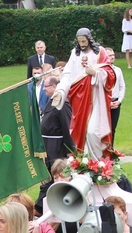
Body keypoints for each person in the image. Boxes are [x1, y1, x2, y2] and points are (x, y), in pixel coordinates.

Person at [51, 28, 116, 159]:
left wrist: (96, 73)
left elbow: (110, 74)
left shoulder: (100, 52)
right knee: (82, 133)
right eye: (79, 41)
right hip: (79, 99)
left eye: (84, 41)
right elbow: (67, 74)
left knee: (93, 132)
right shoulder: (74, 54)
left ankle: (98, 163)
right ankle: (85, 161)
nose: (82, 44)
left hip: (96, 99)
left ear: (89, 39)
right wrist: (60, 90)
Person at [36, 76, 75, 215]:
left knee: (53, 173)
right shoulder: (52, 101)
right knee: (47, 174)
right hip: (48, 144)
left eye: (46, 86)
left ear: (54, 87)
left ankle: (41, 206)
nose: (44, 89)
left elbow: (67, 126)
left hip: (56, 146)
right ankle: (42, 205)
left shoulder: (62, 104)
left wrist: (70, 149)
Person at [105, 48, 125, 149]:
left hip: (116, 102)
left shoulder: (118, 70)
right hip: (104, 103)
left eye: (113, 55)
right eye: (109, 55)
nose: (112, 57)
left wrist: (119, 101)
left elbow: (122, 87)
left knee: (113, 128)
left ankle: (110, 149)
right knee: (104, 128)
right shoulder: (101, 71)